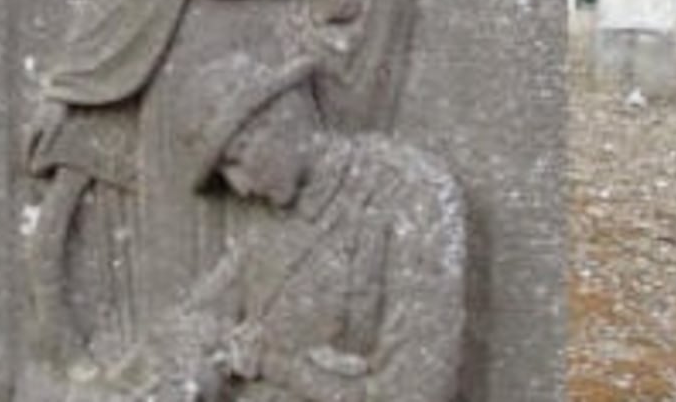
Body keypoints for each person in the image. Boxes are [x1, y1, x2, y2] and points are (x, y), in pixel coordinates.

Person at [23, 0, 414, 377]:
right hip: (178, 73)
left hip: (275, 74)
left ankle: (274, 373)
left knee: (273, 223)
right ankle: (176, 375)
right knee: (180, 244)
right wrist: (67, 89)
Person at [89, 53, 466, 402]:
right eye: (226, 170)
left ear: (285, 114)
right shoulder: (267, 221)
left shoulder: (410, 193)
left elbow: (415, 393)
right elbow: (193, 320)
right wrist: (199, 361)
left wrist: (275, 366)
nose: (239, 186)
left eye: (239, 156)